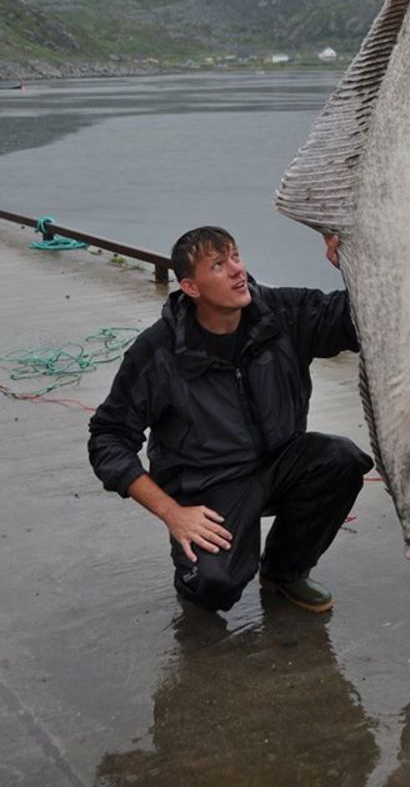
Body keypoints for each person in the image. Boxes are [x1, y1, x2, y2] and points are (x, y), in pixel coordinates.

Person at [88, 225, 373, 614]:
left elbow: (357, 318)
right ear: (191, 287)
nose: (238, 270)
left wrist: (356, 264)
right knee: (214, 589)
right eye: (219, 265)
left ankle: (284, 572)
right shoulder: (158, 351)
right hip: (209, 485)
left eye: (235, 257)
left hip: (278, 463)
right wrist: (173, 513)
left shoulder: (280, 314)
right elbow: (108, 437)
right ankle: (197, 573)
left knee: (340, 460)